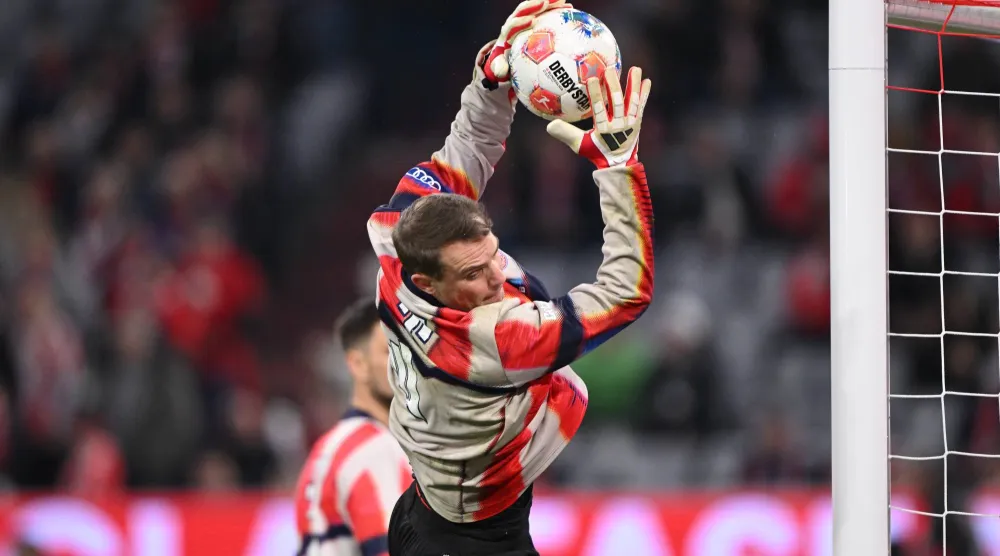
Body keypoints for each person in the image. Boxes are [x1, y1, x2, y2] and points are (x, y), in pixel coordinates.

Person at [368, 0, 655, 552]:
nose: (497, 280)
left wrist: (493, 78)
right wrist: (619, 169)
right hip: (473, 539)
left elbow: (466, 151)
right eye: (475, 274)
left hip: (424, 505)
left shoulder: (394, 237)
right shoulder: (496, 342)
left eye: (494, 255)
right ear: (429, 286)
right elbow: (625, 291)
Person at [294, 298, 412, 556]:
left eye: (409, 349)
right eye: (390, 349)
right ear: (358, 364)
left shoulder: (328, 448)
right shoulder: (374, 449)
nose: (405, 362)